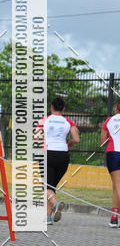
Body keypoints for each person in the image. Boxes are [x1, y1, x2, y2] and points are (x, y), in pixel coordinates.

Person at [36, 96, 79, 224]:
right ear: (63, 108)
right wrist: (69, 143)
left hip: (48, 154)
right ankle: (48, 217)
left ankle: (56, 205)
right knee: (51, 187)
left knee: (47, 186)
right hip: (63, 156)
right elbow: (76, 139)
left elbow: (37, 138)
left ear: (51, 107)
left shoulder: (45, 120)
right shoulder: (69, 122)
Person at [100, 99, 120, 227]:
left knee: (117, 185)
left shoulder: (109, 120)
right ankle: (114, 217)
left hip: (114, 153)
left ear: (116, 107)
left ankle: (115, 217)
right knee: (116, 186)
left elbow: (103, 142)